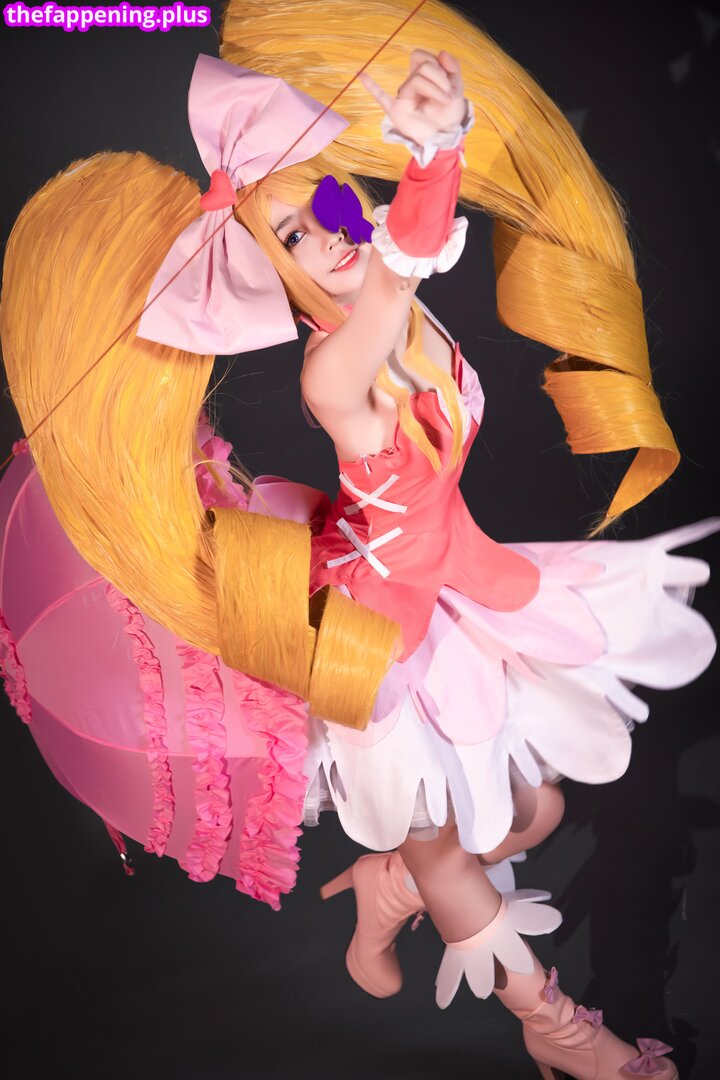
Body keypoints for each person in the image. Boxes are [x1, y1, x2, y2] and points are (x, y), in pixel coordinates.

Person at [0, 2, 717, 1077]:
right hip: (375, 658)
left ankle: (396, 880)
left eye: (333, 199)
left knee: (537, 808)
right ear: (270, 270)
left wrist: (511, 590)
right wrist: (435, 153)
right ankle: (565, 1034)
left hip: (437, 600)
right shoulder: (337, 370)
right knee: (455, 854)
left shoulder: (405, 320)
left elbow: (425, 440)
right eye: (293, 234)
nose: (330, 233)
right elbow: (394, 277)